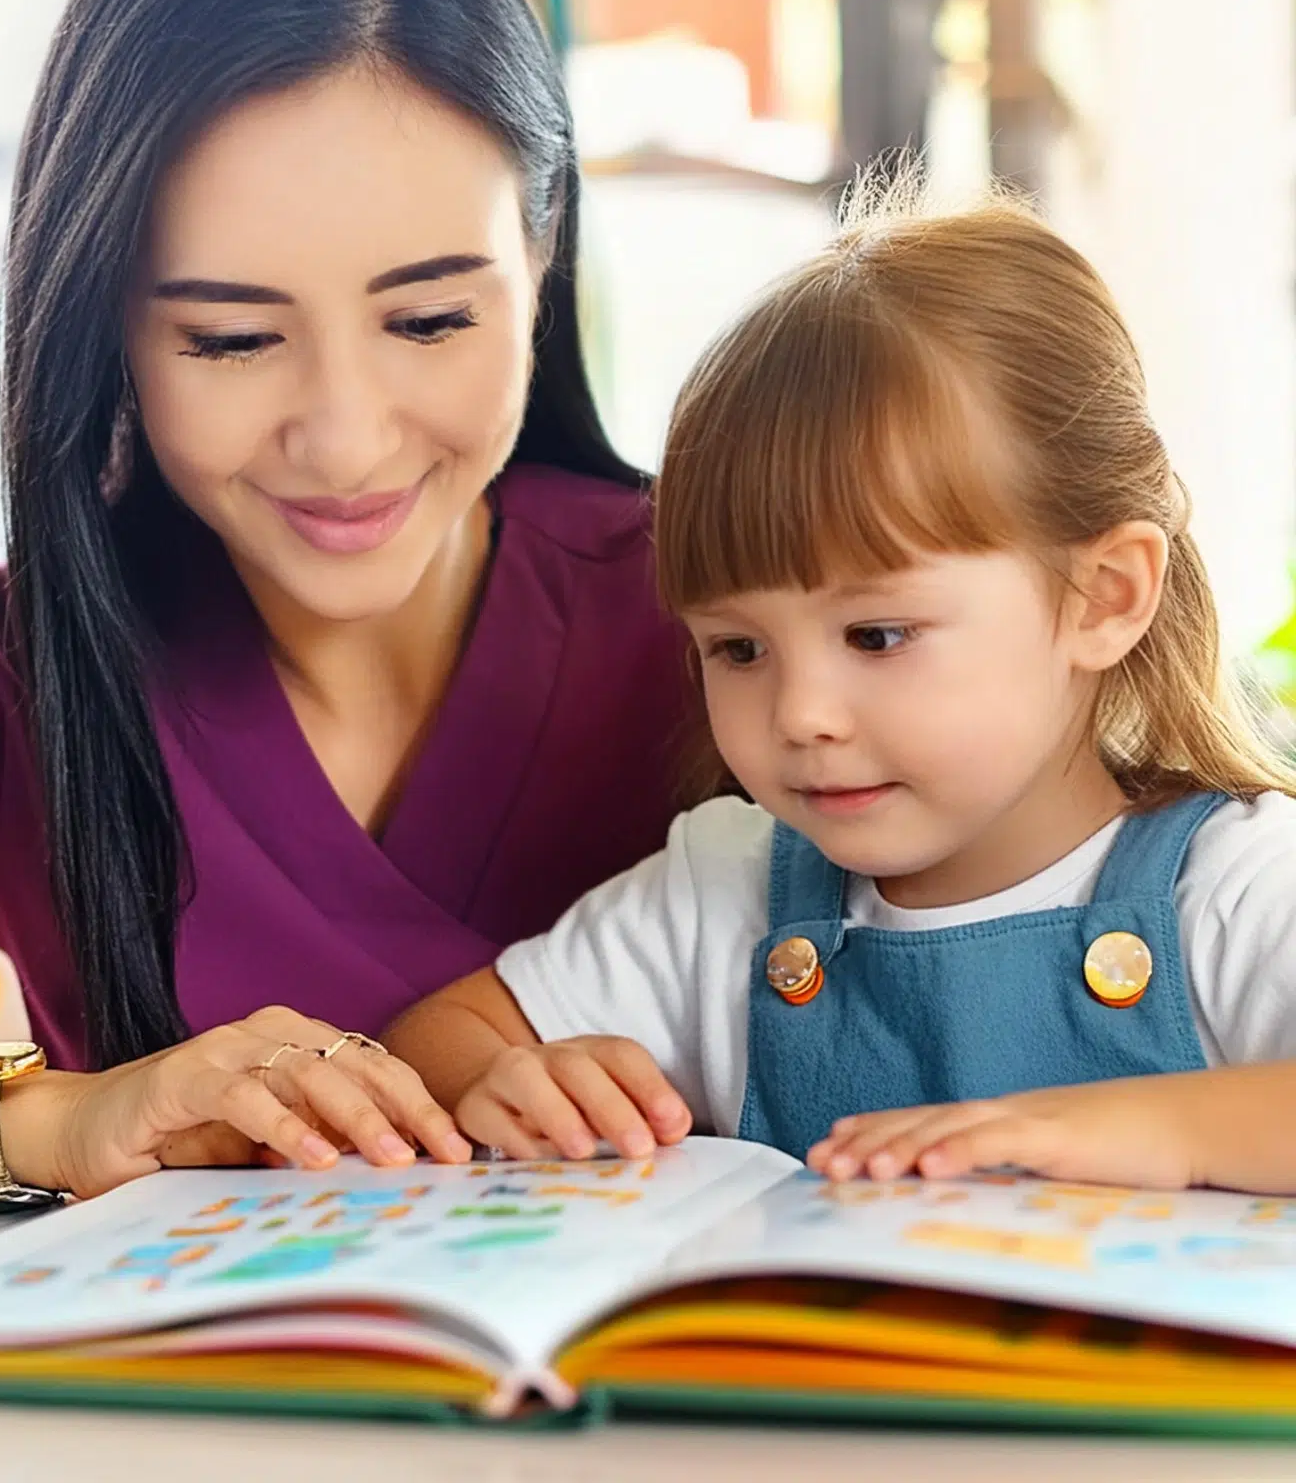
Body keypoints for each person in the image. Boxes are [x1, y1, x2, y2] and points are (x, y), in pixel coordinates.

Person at [0, 0, 694, 1204]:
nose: (342, 442)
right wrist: (45, 1125)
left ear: (542, 251)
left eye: (431, 321)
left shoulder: (739, 610)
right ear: (104, 317)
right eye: (230, 339)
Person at [385, 188, 1296, 1196]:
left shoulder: (1236, 889)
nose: (800, 715)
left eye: (876, 634)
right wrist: (513, 1078)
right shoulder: (720, 894)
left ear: (1101, 596)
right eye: (736, 648)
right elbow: (442, 1035)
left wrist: (1153, 1129)